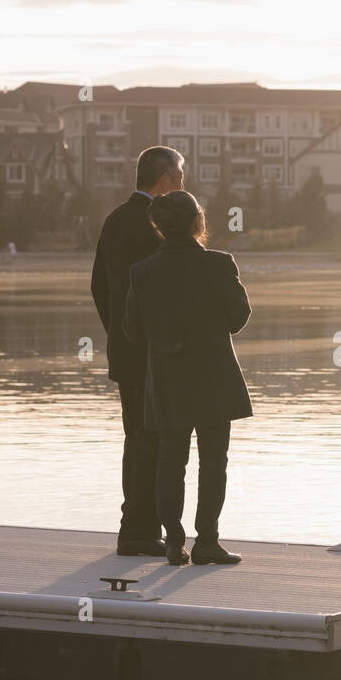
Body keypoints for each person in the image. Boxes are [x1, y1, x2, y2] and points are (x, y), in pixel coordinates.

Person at [122, 190, 252, 566]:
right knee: (214, 462)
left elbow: (133, 332)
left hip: (167, 379)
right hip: (214, 378)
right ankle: (207, 541)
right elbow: (238, 318)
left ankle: (173, 543)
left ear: (158, 226)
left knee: (170, 461)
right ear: (199, 221)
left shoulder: (141, 272)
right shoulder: (219, 264)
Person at [91, 145, 185, 556]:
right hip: (155, 354)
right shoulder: (156, 224)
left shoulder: (114, 219)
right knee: (155, 440)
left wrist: (118, 333)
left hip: (126, 353)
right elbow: (163, 291)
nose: (183, 184)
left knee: (137, 437)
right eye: (180, 176)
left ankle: (136, 526)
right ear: (164, 178)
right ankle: (142, 532)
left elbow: (99, 285)